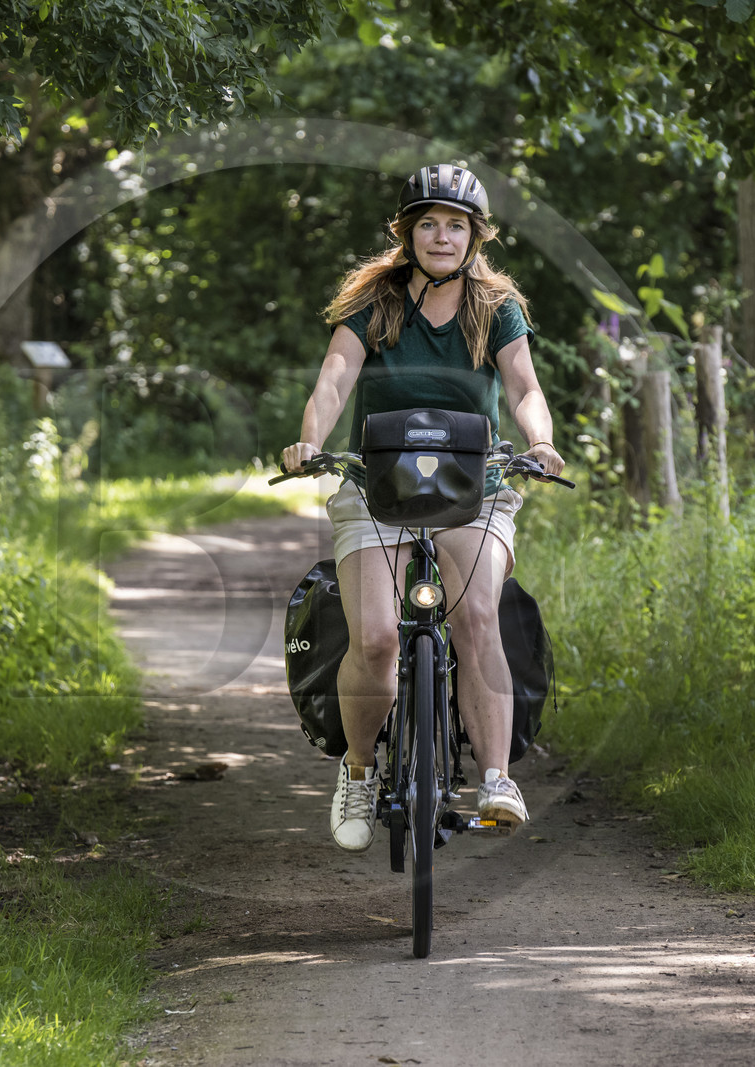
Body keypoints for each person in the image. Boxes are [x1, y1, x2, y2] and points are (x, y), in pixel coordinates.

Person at [280, 164, 566, 852]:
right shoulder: (374, 302)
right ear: (407, 234)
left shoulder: (494, 306)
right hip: (378, 486)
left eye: (456, 225)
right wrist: (310, 440)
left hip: (475, 486)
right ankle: (357, 769)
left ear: (474, 236)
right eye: (429, 223)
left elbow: (523, 385)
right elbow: (335, 376)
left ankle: (496, 776)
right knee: (376, 636)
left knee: (474, 616)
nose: (442, 236)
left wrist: (542, 440)